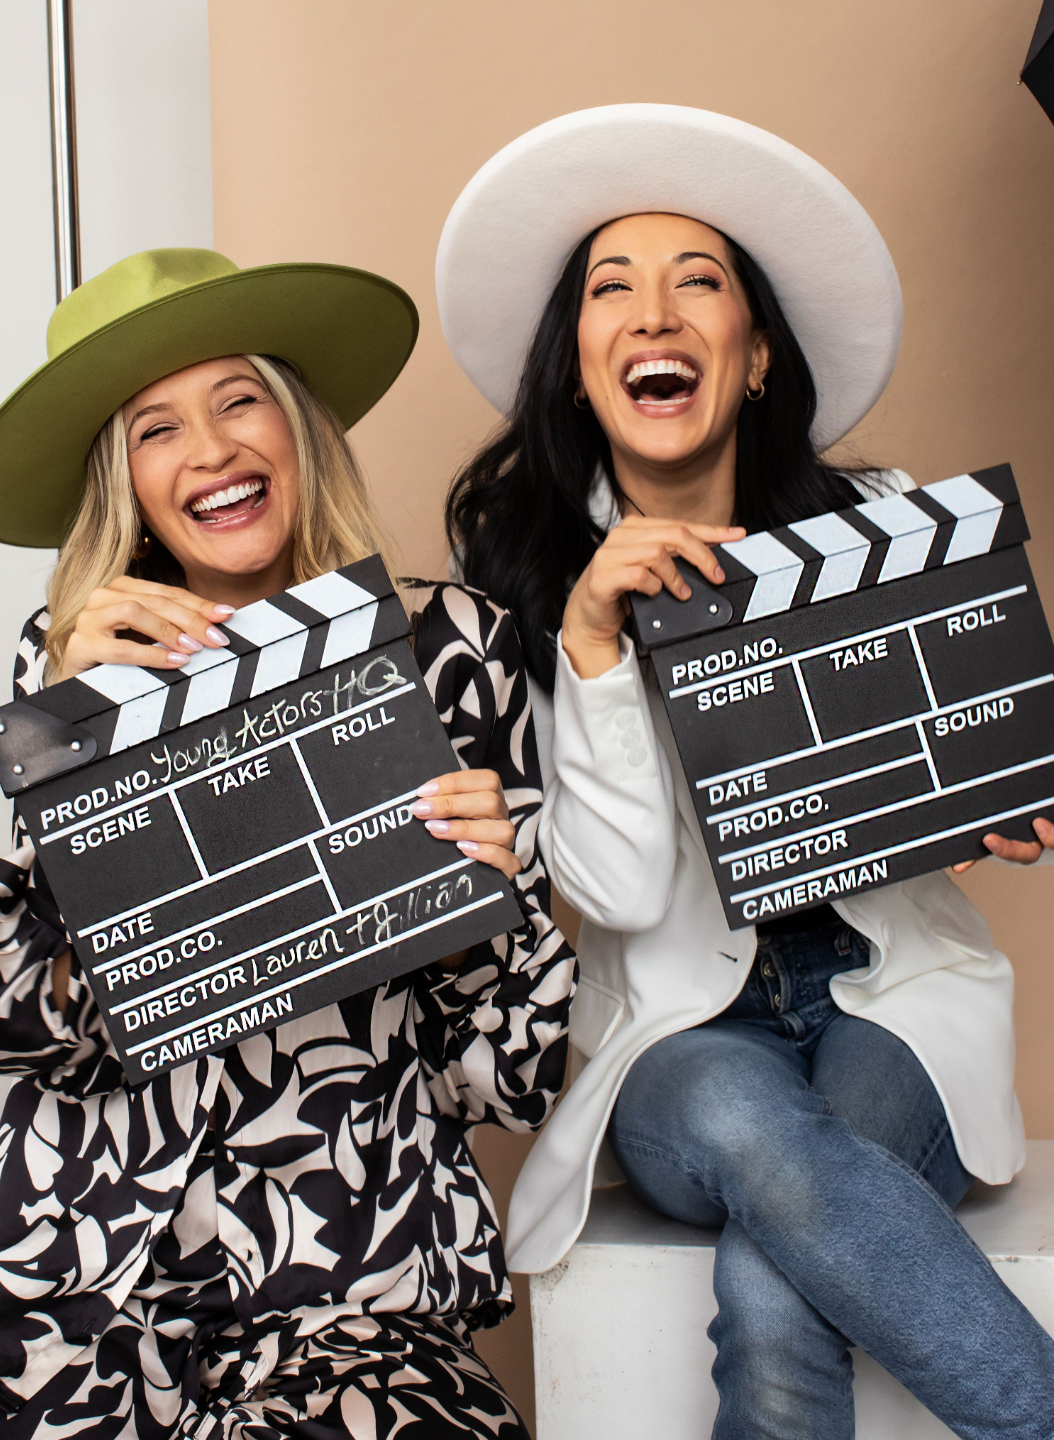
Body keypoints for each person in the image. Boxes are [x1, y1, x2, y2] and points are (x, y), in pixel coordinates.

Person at [0, 248, 573, 1440]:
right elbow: (8, 1023)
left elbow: (505, 1080)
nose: (208, 449)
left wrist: (483, 910)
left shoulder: (455, 649)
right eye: (156, 429)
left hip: (349, 1282)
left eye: (238, 400)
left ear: (297, 429)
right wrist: (73, 752)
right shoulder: (72, 662)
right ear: (126, 486)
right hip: (73, 1274)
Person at [437, 105, 1054, 1438]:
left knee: (779, 1277)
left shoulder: (879, 525)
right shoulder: (515, 596)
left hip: (892, 993)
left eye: (698, 283)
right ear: (577, 367)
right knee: (752, 1127)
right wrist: (593, 647)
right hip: (676, 1036)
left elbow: (953, 748)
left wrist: (984, 788)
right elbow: (612, 889)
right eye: (612, 289)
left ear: (757, 353)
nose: (654, 315)